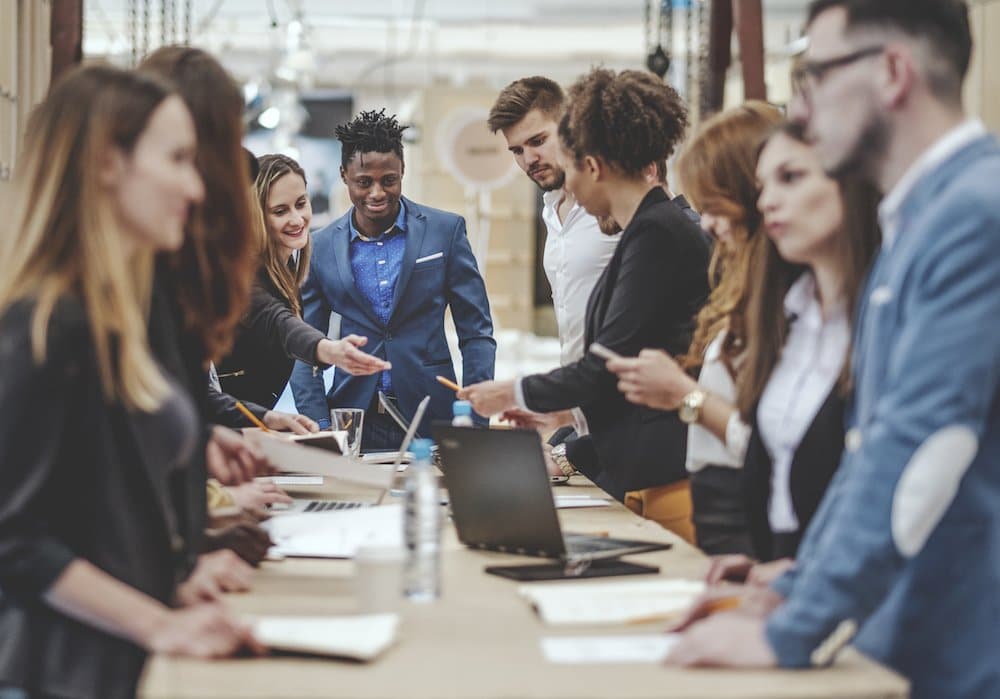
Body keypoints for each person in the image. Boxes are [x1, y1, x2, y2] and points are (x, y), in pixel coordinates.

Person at [668, 3, 1000, 698]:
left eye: (817, 73)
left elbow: (920, 448)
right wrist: (803, 580)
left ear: (892, 72)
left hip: (957, 644)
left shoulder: (972, 213)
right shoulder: (916, 221)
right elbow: (869, 449)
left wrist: (791, 628)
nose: (803, 106)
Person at [0, 65, 261, 699]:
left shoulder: (113, 317)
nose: (195, 187)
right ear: (107, 164)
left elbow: (96, 510)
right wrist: (160, 623)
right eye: (176, 159)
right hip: (54, 675)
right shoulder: (46, 327)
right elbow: (16, 541)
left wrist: (169, 579)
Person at [460, 68, 710, 543]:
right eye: (518, 150)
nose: (564, 183)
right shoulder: (644, 229)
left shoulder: (657, 231)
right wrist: (565, 418)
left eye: (571, 166)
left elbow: (610, 361)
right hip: (622, 447)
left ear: (592, 165)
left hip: (660, 461)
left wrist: (516, 392)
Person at [608, 102, 783, 556]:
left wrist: (684, 396)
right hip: (720, 511)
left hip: (744, 521)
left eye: (716, 205)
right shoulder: (745, 291)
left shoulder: (786, 306)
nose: (706, 222)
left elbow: (775, 448)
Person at [290, 109, 496, 450]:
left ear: (403, 171)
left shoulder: (445, 231)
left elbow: (476, 333)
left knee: (438, 504)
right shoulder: (321, 246)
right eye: (364, 182)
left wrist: (475, 416)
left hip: (436, 413)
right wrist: (322, 427)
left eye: (389, 180)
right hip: (353, 418)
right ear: (344, 175)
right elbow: (306, 348)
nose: (376, 193)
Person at [486, 76, 620, 475]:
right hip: (585, 421)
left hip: (625, 421)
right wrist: (562, 413)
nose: (529, 159)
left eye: (538, 141)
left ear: (570, 125)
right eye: (517, 150)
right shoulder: (551, 210)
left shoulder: (612, 211)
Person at [216, 153, 389, 409]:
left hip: (252, 422)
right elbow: (278, 322)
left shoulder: (288, 270)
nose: (297, 220)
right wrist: (327, 349)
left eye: (301, 203)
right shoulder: (242, 275)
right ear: (255, 215)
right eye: (280, 211)